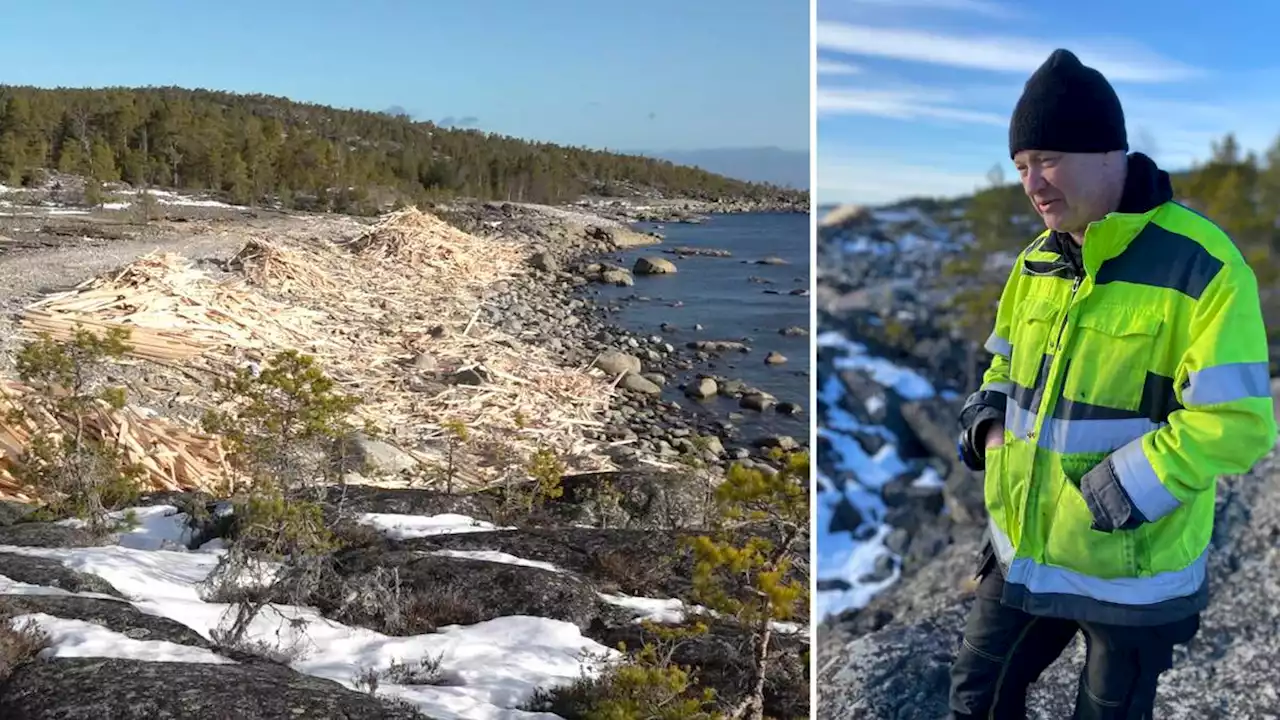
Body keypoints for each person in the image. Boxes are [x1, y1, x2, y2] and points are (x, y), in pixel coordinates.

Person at [948, 48, 1277, 719]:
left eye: (1047, 159)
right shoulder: (1035, 262)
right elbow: (1003, 367)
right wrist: (986, 422)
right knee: (975, 701)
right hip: (1023, 551)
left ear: (1108, 153)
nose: (1033, 182)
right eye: (1020, 166)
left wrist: (1115, 493)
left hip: (1131, 570)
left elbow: (1236, 422)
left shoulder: (1203, 267)